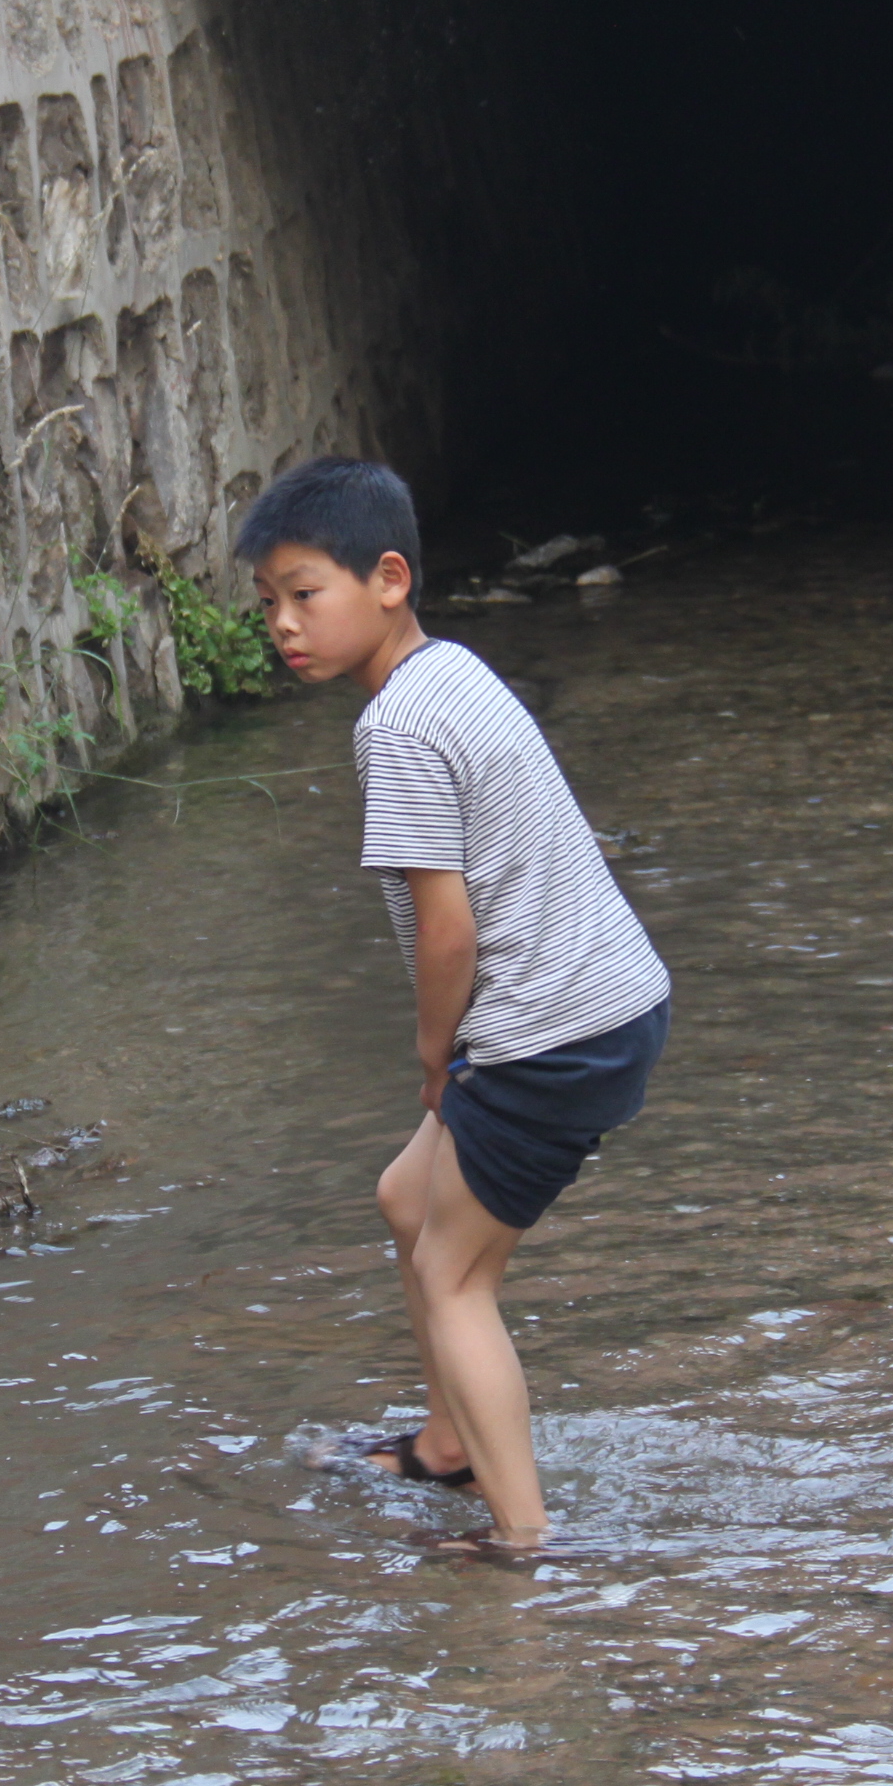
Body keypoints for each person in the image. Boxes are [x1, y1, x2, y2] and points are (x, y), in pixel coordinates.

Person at [238, 457, 672, 1546]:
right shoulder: (452, 671)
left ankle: (521, 1538)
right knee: (405, 1196)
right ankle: (444, 1443)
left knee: (453, 1270)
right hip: (601, 1004)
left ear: (389, 579)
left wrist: (439, 1058)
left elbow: (449, 929)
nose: (283, 624)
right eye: (269, 605)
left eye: (304, 594)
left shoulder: (395, 731)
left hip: (550, 1033)